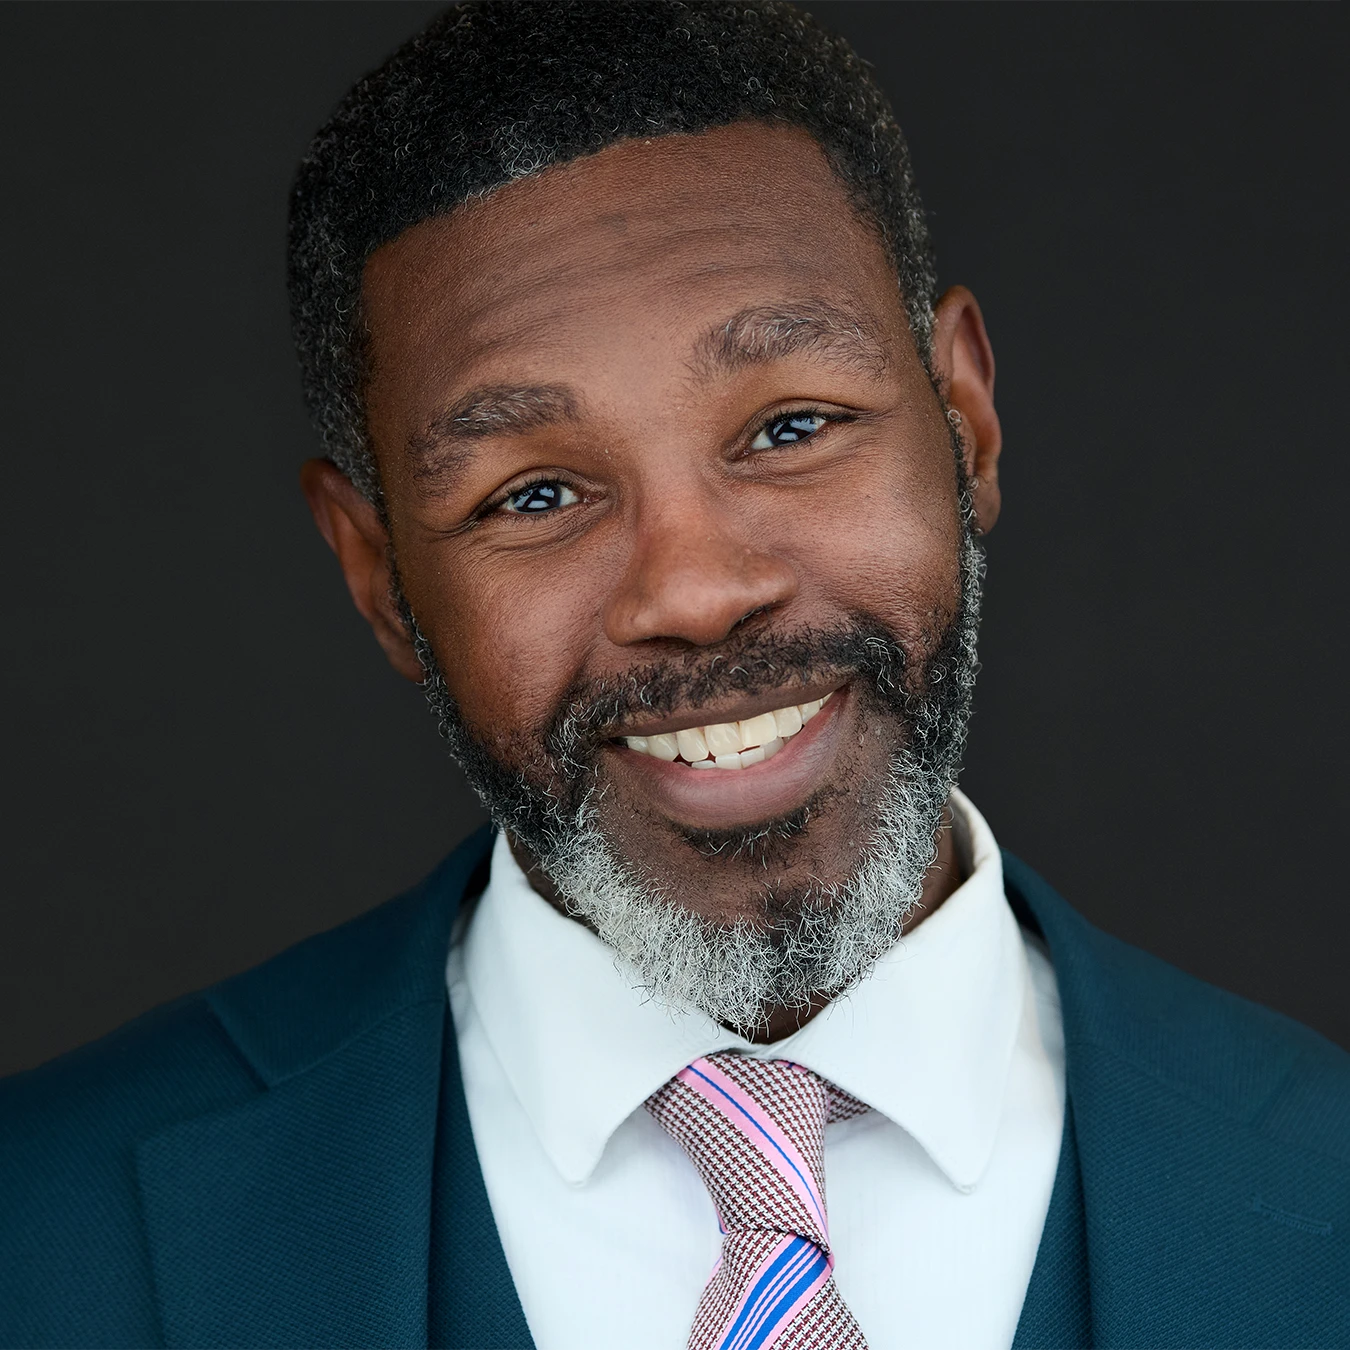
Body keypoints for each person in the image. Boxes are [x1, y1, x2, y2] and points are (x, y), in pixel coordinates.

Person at [3, 1, 1346, 1345]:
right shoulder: (42, 1231)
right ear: (376, 573)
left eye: (791, 424)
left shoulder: (1313, 1178)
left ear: (965, 422)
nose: (695, 592)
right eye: (531, 495)